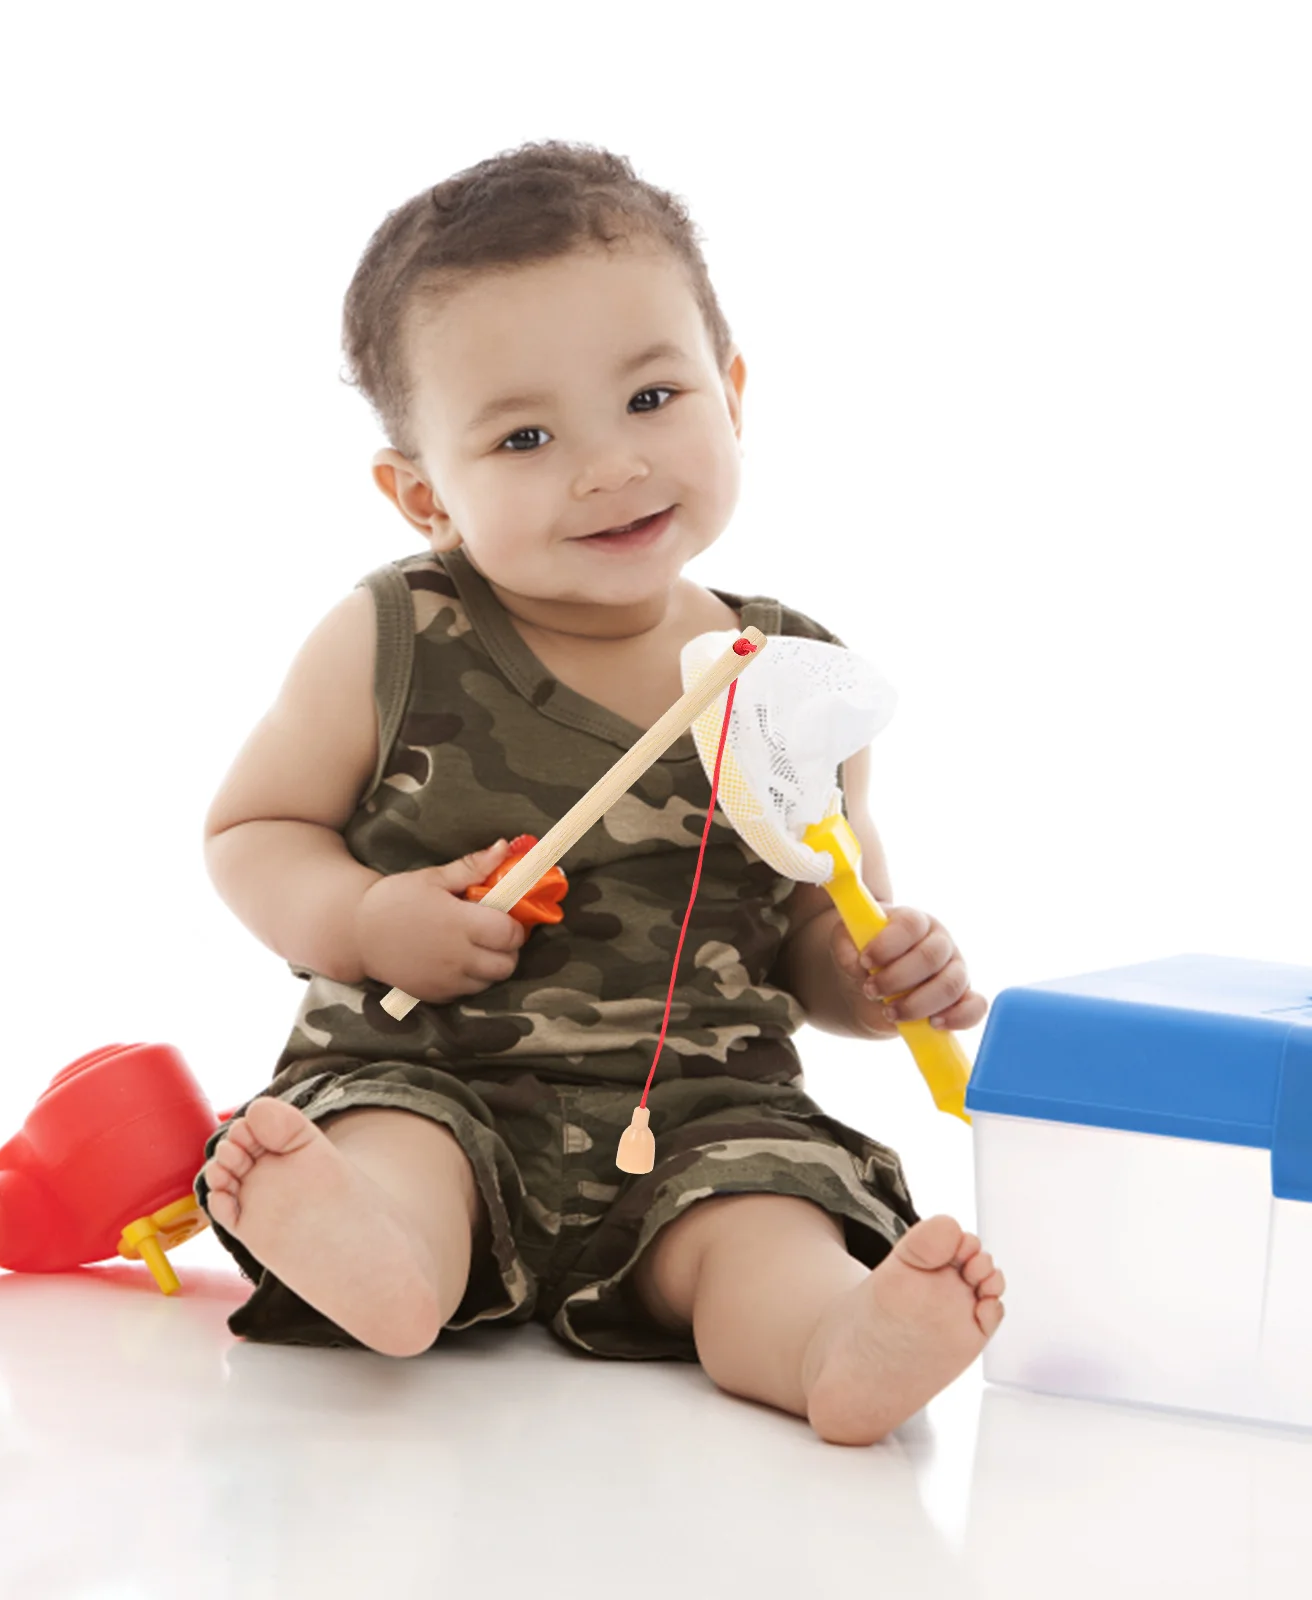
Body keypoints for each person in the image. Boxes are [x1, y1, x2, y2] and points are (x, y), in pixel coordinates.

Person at [195, 140, 1004, 1447]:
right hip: (436, 1069)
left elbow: (816, 926)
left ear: (732, 394)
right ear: (421, 495)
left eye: (650, 398)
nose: (610, 466)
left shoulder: (796, 681)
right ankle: (387, 1264)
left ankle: (829, 1343)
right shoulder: (395, 636)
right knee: (397, 1147)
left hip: (700, 1109)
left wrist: (879, 974)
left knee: (763, 1219)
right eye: (524, 435)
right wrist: (369, 917)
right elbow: (251, 832)